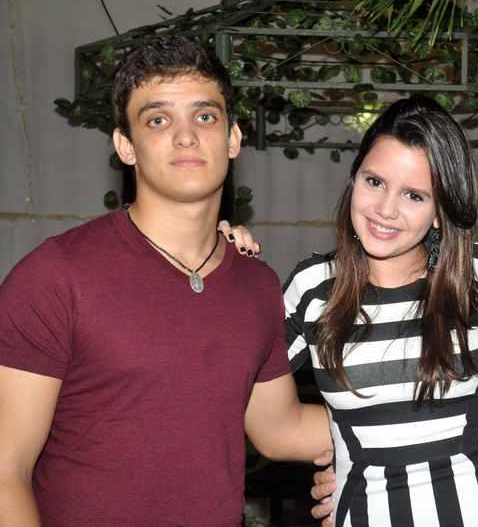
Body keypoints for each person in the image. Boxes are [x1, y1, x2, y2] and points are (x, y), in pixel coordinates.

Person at [0, 35, 330, 526]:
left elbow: (282, 429)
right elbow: (6, 470)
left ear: (233, 138)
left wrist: (437, 421)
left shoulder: (256, 284)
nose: (186, 136)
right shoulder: (56, 276)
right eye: (158, 120)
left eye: (205, 116)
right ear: (125, 146)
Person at [275, 95, 478, 526]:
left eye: (414, 195)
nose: (386, 210)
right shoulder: (312, 288)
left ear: (440, 212)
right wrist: (218, 260)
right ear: (354, 178)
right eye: (374, 182)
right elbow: (244, 399)